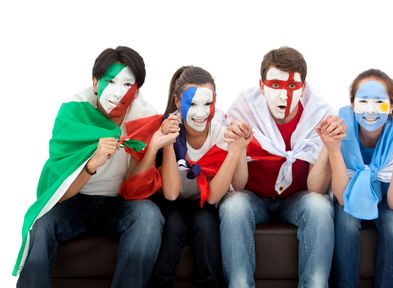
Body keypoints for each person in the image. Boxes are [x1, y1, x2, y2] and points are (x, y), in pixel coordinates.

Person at [14, 46, 177, 288]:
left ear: (137, 89)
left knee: (149, 217)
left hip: (120, 203)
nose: (117, 93)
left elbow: (134, 186)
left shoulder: (144, 117)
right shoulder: (73, 111)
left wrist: (151, 148)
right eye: (110, 81)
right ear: (94, 82)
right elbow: (57, 191)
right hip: (75, 200)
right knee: (41, 222)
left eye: (127, 85)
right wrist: (92, 164)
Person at [219, 46, 335, 288]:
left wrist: (327, 146)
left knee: (319, 206)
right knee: (234, 205)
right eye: (275, 85)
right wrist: (238, 147)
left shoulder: (319, 114)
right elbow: (238, 186)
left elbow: (316, 188)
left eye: (292, 87)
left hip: (297, 199)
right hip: (254, 198)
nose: (284, 96)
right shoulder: (244, 110)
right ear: (262, 86)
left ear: (303, 88)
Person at [315, 69, 393, 287]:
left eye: (379, 102)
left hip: (387, 200)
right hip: (350, 196)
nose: (370, 110)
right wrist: (334, 151)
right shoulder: (342, 130)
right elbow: (342, 198)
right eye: (363, 101)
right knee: (346, 222)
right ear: (352, 104)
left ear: (392, 106)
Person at [150, 66, 250, 288]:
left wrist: (236, 150)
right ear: (177, 101)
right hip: (170, 201)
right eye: (192, 104)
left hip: (203, 201)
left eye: (207, 103)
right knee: (174, 224)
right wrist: (168, 140)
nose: (201, 112)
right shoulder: (168, 127)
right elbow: (171, 193)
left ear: (216, 100)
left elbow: (215, 196)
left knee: (205, 224)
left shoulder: (221, 131)